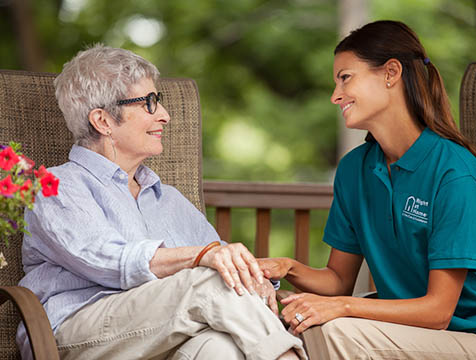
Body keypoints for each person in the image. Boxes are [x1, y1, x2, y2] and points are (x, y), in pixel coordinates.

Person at [16, 44, 306, 360]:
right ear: (103, 121)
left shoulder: (169, 199)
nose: (165, 116)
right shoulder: (56, 187)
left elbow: (222, 263)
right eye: (150, 104)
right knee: (210, 281)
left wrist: (254, 278)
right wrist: (206, 257)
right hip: (76, 331)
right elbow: (110, 261)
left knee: (223, 350)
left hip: (163, 336)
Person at [259, 20, 476, 359]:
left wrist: (342, 308)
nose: (335, 96)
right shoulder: (354, 170)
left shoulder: (455, 172)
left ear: (391, 73)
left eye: (345, 78)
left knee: (332, 327)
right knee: (309, 323)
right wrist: (286, 267)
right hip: (412, 332)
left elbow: (438, 312)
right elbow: (337, 280)